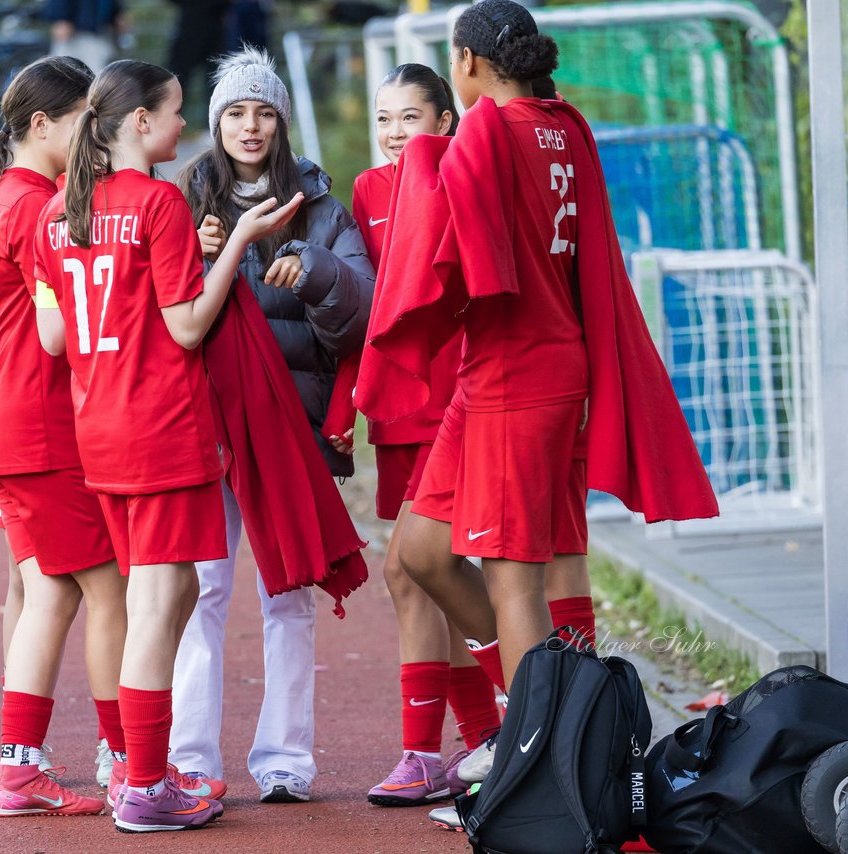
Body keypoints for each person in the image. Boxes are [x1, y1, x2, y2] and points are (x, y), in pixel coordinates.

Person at [354, 0, 717, 780]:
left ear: (470, 63)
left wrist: (419, 155)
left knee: (515, 577)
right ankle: (550, 722)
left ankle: (543, 769)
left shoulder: (485, 128)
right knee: (422, 551)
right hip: (520, 368)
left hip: (517, 375)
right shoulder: (564, 124)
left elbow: (452, 240)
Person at [33, 58, 302, 832]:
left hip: (101, 427)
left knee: (174, 590)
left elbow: (59, 331)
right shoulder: (155, 203)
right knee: (158, 602)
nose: (186, 126)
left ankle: (144, 768)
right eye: (176, 111)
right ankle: (144, 783)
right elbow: (186, 324)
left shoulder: (61, 210)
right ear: (141, 123)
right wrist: (241, 239)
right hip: (161, 425)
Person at [171, 45, 375, 805]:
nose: (250, 126)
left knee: (288, 593)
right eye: (235, 111)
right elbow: (155, 313)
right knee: (202, 588)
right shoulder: (183, 201)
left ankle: (285, 760)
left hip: (293, 422)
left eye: (264, 112)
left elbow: (363, 307)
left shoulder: (320, 205)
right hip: (208, 425)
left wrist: (315, 272)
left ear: (282, 121)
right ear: (216, 121)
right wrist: (196, 258)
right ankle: (191, 756)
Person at [0, 54, 121, 819]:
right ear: (42, 125)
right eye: (86, 118)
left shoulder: (3, 198)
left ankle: (23, 765)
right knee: (105, 589)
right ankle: (126, 762)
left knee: (43, 590)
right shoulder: (38, 207)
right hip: (40, 425)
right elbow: (59, 335)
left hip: (3, 417)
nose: (96, 132)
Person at [347, 63, 502, 809]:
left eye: (410, 117)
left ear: (445, 121)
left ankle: (451, 744)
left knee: (418, 569)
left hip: (462, 405)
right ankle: (480, 742)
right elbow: (367, 304)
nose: (394, 133)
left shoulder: (463, 175)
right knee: (421, 573)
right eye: (384, 118)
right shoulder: (367, 192)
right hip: (397, 414)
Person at [43, 0, 125, 74]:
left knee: (98, 75)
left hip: (100, 33)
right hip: (76, 33)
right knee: (61, 74)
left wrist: (117, 14)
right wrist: (61, 17)